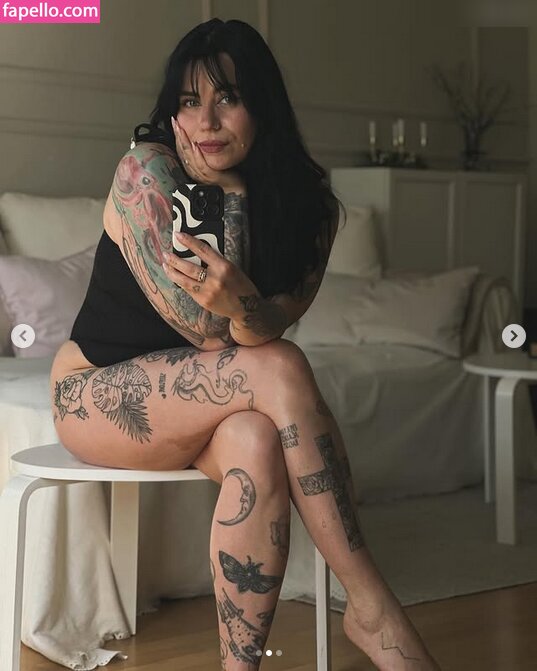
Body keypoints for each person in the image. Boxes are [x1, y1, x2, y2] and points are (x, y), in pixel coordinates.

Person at [49, 18, 440, 671]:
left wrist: (242, 285)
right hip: (95, 393)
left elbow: (259, 329)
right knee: (279, 367)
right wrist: (228, 198)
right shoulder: (145, 173)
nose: (205, 120)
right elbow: (210, 336)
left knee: (258, 439)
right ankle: (372, 607)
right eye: (188, 100)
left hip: (210, 401)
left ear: (262, 104)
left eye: (226, 98)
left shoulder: (309, 209)